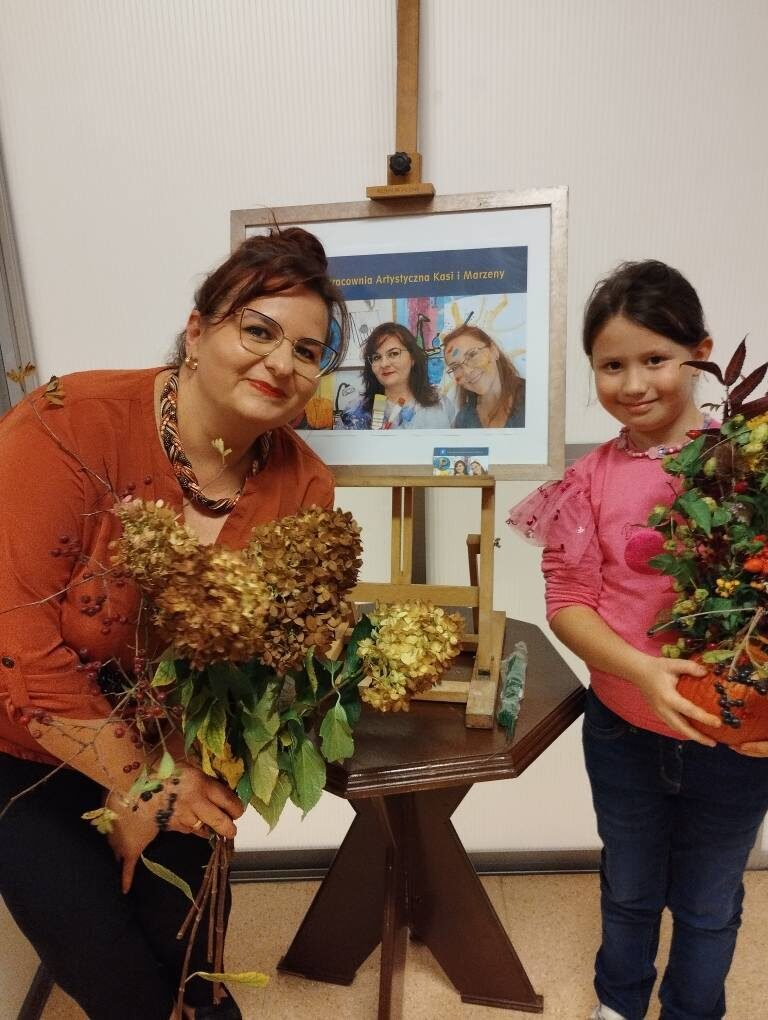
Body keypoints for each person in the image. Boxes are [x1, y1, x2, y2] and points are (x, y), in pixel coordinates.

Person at [0, 227, 347, 1020]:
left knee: (193, 969)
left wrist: (168, 779)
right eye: (258, 330)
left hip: (179, 750)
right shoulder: (68, 425)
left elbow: (248, 674)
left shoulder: (304, 488)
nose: (281, 363)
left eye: (307, 351)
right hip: (19, 745)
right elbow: (15, 647)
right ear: (197, 332)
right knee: (122, 984)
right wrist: (138, 782)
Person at [507, 260, 768, 1020]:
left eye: (655, 358)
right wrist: (644, 672)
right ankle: (618, 1005)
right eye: (611, 365)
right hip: (623, 728)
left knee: (710, 901)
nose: (633, 383)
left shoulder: (748, 461)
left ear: (701, 354)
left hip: (733, 737)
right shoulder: (586, 481)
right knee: (627, 887)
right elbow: (568, 603)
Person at [360, 322, 453, 429]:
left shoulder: (441, 404)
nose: (384, 364)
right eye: (376, 357)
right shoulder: (358, 413)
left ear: (413, 358)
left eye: (394, 353)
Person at [442, 324, 525, 428]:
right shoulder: (464, 420)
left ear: (494, 351)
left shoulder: (533, 397)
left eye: (472, 355)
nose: (467, 371)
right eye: (455, 367)